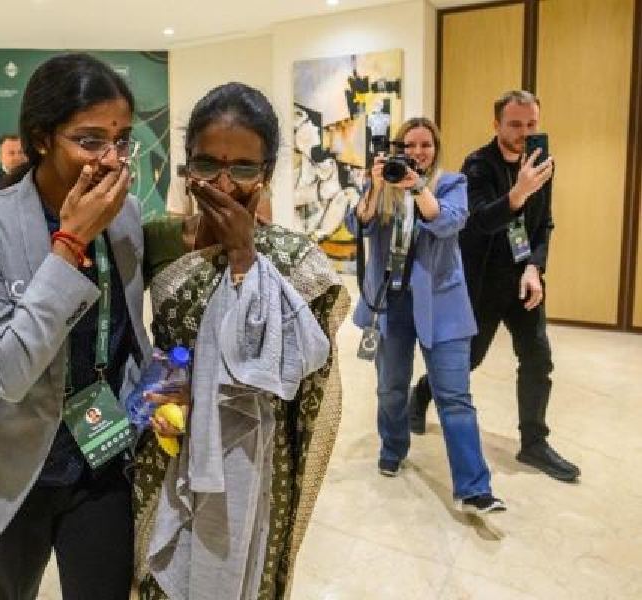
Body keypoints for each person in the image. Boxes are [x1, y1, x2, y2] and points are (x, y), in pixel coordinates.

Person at [0, 53, 152, 600]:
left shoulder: (127, 213)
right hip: (9, 459)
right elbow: (6, 373)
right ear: (42, 138)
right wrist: (70, 243)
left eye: (121, 140)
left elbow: (126, 333)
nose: (110, 159)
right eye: (90, 140)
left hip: (101, 451)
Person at [134, 82, 350, 599]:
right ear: (187, 166)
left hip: (253, 457)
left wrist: (244, 258)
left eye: (244, 169)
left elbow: (304, 368)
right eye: (207, 165)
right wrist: (155, 387)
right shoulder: (157, 240)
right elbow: (126, 337)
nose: (223, 184)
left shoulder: (295, 259)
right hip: (170, 443)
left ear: (268, 172)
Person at [409, 91, 580, 483]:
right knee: (467, 360)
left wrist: (535, 266)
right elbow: (480, 222)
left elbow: (544, 223)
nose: (524, 132)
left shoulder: (541, 164)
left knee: (537, 357)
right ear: (497, 125)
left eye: (531, 124)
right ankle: (420, 394)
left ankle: (534, 442)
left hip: (523, 279)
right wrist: (519, 192)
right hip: (482, 282)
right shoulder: (477, 166)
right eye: (515, 124)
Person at [345, 117, 506, 514]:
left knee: (454, 396)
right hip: (391, 303)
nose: (417, 152)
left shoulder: (452, 183)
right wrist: (375, 185)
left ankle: (474, 488)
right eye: (409, 145)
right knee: (391, 388)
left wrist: (416, 186)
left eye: (425, 145)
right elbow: (357, 225)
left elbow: (448, 222)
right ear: (397, 149)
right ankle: (393, 447)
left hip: (442, 305)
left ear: (436, 149)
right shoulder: (381, 184)